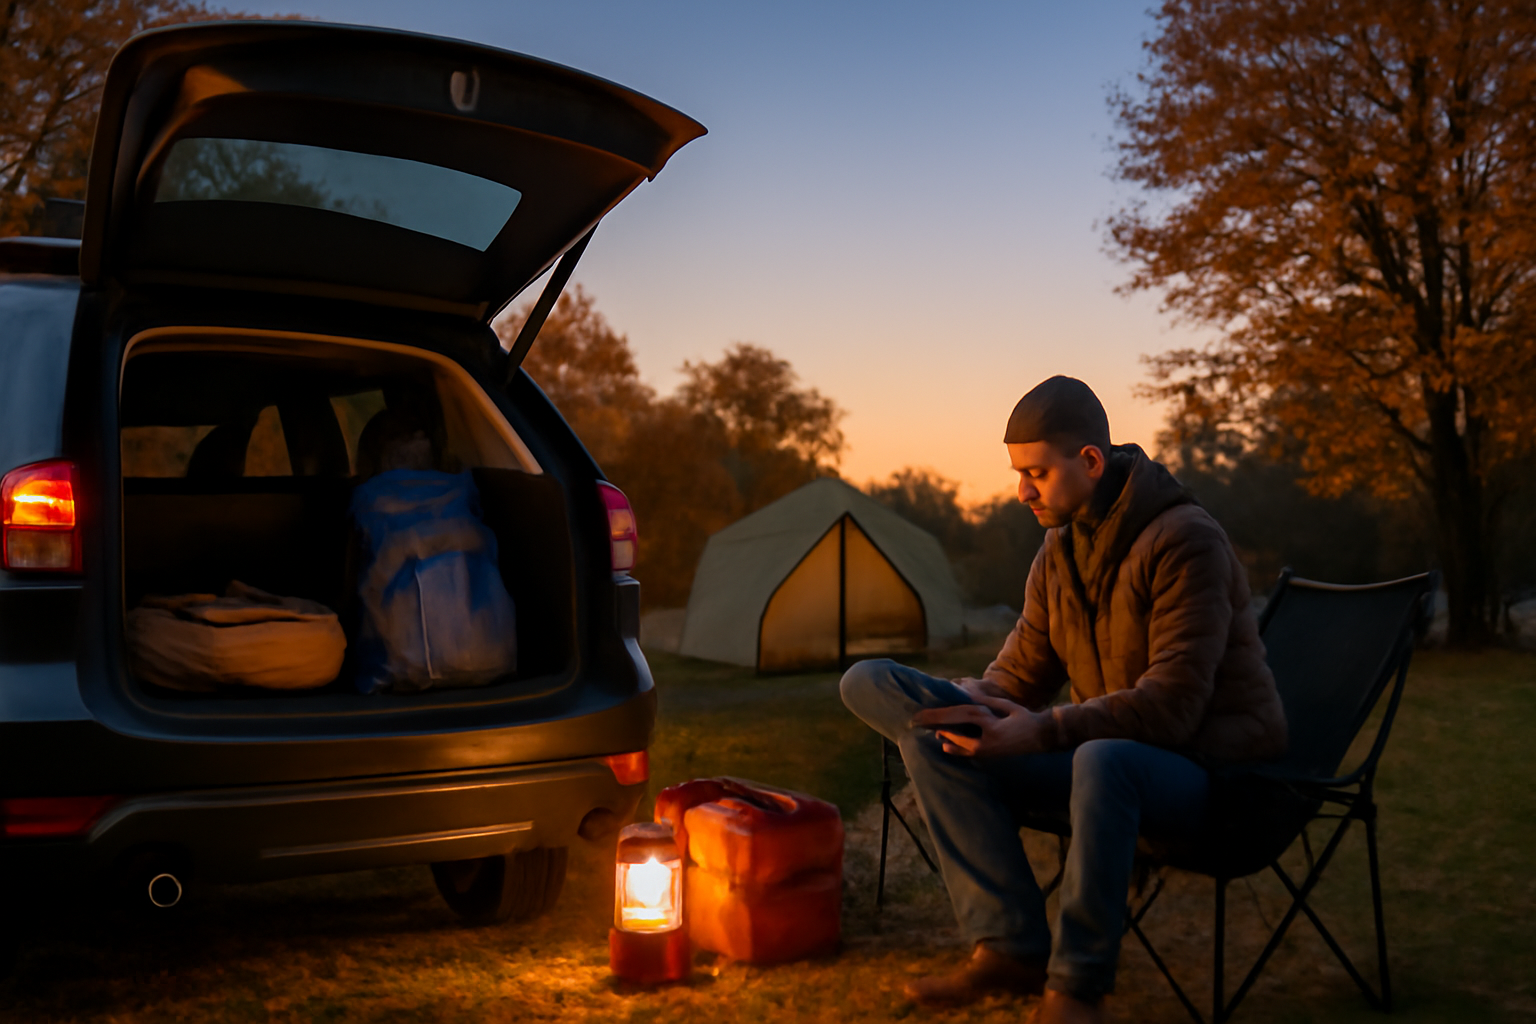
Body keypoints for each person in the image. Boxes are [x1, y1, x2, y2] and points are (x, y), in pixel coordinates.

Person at [840, 376, 1287, 1023]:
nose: (1022, 492)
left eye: (1037, 474)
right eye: (1019, 475)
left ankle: (1076, 992)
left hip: (1212, 777)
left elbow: (1173, 707)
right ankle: (1010, 950)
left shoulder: (1186, 540)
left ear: (1091, 461)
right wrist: (978, 696)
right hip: (1100, 757)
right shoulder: (1060, 549)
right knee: (914, 720)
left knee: (1103, 759)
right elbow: (1022, 671)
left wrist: (1042, 730)